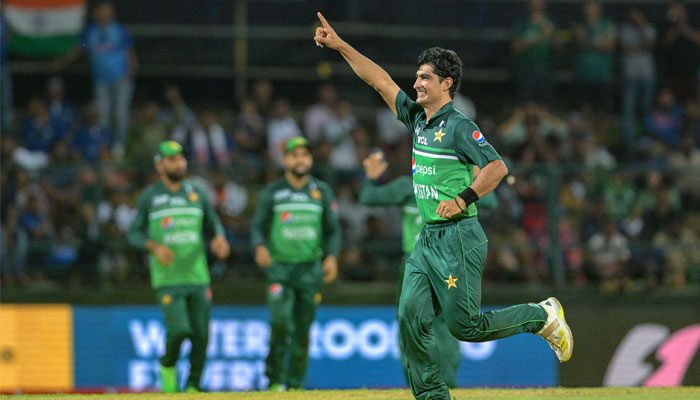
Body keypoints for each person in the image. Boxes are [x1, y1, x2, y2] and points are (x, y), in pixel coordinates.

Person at [314, 13, 572, 400]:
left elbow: (498, 167)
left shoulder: (458, 125)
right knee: (410, 318)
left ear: (446, 83)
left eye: (425, 78)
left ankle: (541, 316)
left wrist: (464, 197)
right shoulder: (417, 119)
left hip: (459, 238)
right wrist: (339, 45)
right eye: (417, 77)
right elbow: (378, 80)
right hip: (427, 239)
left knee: (465, 328)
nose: (416, 83)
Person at [359, 151, 499, 388]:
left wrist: (371, 179)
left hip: (427, 264)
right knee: (441, 325)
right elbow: (490, 201)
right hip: (443, 263)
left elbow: (369, 196)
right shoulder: (446, 185)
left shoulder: (410, 186)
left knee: (415, 324)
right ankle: (443, 385)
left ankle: (430, 386)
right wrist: (474, 175)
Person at [127, 140, 230, 393]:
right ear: (160, 165)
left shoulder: (196, 192)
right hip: (168, 278)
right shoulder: (150, 197)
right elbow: (133, 234)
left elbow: (213, 223)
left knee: (202, 335)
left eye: (181, 158)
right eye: (172, 159)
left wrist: (218, 238)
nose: (178, 163)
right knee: (180, 330)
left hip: (197, 275)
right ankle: (168, 364)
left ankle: (194, 385)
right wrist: (154, 246)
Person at [250, 136, 340, 392]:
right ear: (285, 159)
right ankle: (275, 380)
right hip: (280, 269)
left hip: (310, 270)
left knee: (302, 331)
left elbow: (333, 230)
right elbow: (257, 227)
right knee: (280, 324)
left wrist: (332, 257)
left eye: (304, 155)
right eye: (295, 155)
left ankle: (295, 386)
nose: (300, 160)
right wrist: (259, 247)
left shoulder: (321, 191)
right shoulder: (273, 192)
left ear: (310, 160)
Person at [55, 1, 137, 157]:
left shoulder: (119, 30)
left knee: (120, 114)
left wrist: (132, 69)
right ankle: (105, 146)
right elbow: (80, 49)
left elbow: (129, 52)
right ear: (96, 13)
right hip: (101, 80)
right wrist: (61, 61)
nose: (106, 13)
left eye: (108, 10)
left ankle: (119, 146)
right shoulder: (91, 32)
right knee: (103, 115)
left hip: (120, 78)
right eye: (103, 10)